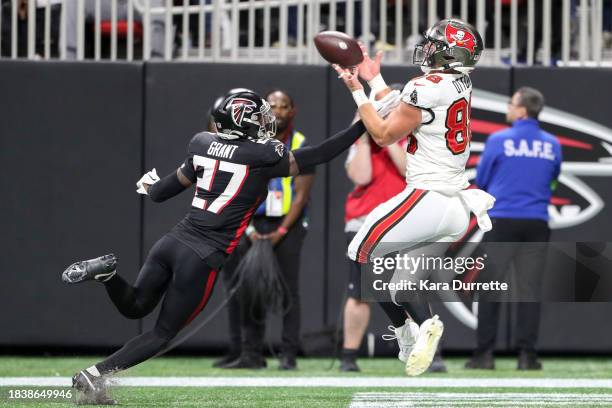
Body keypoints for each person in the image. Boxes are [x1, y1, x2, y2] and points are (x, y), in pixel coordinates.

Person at [61, 89, 398, 403]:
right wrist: (362, 127)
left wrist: (149, 186)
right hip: (202, 254)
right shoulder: (263, 154)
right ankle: (93, 377)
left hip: (172, 242)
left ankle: (107, 275)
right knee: (162, 334)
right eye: (258, 117)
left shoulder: (202, 143)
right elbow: (318, 155)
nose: (265, 122)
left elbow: (160, 192)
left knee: (135, 305)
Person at [333, 19, 494, 376]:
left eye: (435, 44)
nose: (428, 48)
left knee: (358, 251)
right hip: (454, 208)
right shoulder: (460, 83)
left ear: (450, 53)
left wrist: (357, 90)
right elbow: (408, 109)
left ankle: (409, 333)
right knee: (398, 284)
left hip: (427, 196)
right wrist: (376, 81)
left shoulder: (424, 85)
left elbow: (383, 134)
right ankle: (419, 330)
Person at [217, 89, 315, 370]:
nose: (278, 111)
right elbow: (236, 190)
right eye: (272, 106)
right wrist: (248, 229)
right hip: (251, 222)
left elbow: (301, 196)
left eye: (284, 105)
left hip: (287, 224)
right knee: (249, 286)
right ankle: (251, 354)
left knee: (288, 289)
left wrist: (281, 232)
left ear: (292, 111)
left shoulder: (299, 142)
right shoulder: (249, 142)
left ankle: (288, 355)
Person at [466, 87, 561, 370]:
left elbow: (481, 180)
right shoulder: (553, 143)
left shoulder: (498, 140)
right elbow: (553, 179)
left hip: (502, 220)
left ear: (521, 110)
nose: (508, 107)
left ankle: (484, 355)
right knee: (529, 290)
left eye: (511, 104)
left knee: (491, 287)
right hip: (536, 221)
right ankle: (527, 356)